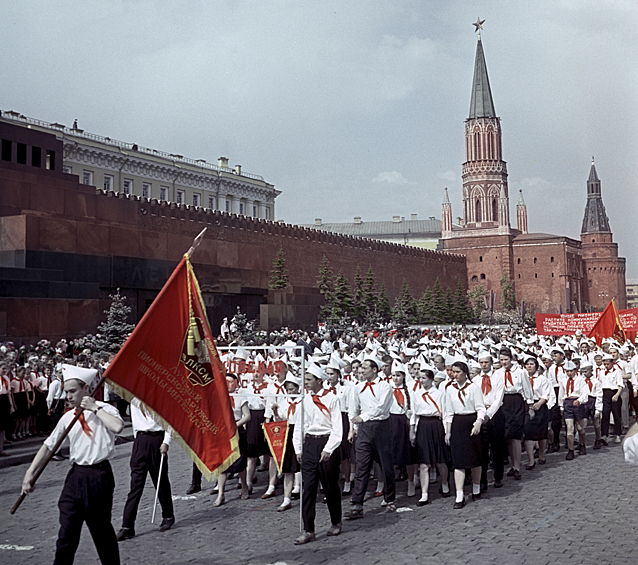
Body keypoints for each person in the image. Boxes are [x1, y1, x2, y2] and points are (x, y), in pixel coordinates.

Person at [21, 364, 124, 565]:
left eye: (72, 391)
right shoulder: (68, 417)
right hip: (75, 476)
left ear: (86, 389)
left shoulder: (105, 410)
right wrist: (29, 473)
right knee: (67, 531)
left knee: (101, 530)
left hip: (98, 476)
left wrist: (95, 407)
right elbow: (48, 445)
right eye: (66, 392)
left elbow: (118, 427)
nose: (67, 396)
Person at [292, 364, 342, 545]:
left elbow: (337, 427)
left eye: (309, 379)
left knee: (330, 486)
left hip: (327, 441)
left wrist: (329, 448)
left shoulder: (332, 399)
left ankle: (336, 521)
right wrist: (298, 448)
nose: (305, 382)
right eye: (305, 379)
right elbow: (300, 425)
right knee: (308, 488)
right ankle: (308, 529)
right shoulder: (304, 399)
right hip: (310, 443)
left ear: (319, 380)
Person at [116, 397, 175, 541]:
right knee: (135, 485)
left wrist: (166, 442)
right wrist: (138, 442)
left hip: (157, 439)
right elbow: (135, 422)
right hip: (141, 440)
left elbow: (170, 420)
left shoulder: (160, 397)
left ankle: (168, 515)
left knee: (160, 481)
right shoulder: (134, 399)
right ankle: (127, 526)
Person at [345, 356, 396, 518]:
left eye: (365, 367)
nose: (362, 370)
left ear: (374, 370)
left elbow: (382, 407)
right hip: (365, 429)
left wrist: (364, 417)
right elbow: (353, 409)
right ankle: (357, 503)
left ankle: (390, 499)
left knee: (386, 465)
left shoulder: (385, 386)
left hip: (382, 427)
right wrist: (352, 428)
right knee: (362, 465)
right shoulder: (357, 387)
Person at [443, 361, 485, 509]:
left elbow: (480, 407)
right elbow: (448, 411)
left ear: (465, 372)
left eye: (457, 372)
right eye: (453, 372)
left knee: (475, 458)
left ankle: (476, 487)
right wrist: (447, 431)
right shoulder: (449, 389)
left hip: (471, 421)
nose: (455, 375)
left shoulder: (473, 387)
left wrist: (478, 422)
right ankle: (459, 494)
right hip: (458, 423)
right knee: (458, 461)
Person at [409, 367, 450, 506]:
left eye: (424, 378)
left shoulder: (439, 394)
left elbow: (445, 413)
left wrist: (446, 432)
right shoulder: (416, 394)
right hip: (423, 425)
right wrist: (412, 430)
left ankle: (445, 483)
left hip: (436, 425)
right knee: (424, 462)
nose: (421, 380)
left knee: (440, 460)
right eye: (419, 378)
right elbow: (414, 414)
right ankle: (424, 494)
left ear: (431, 379)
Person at [492, 348, 534, 480]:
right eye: (501, 360)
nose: (504, 362)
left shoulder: (520, 372)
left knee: (515, 435)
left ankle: (517, 466)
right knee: (507, 435)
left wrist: (530, 405)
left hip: (516, 401)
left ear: (512, 359)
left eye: (506, 359)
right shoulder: (497, 373)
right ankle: (512, 464)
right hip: (503, 402)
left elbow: (527, 388)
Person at [213, 373, 251, 506]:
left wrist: (235, 425)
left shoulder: (241, 397)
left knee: (239, 462)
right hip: (222, 432)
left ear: (235, 383)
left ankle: (244, 487)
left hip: (236, 430)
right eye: (226, 381)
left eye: (230, 382)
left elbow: (247, 416)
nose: (228, 384)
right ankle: (221, 494)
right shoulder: (218, 396)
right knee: (222, 463)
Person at [522, 355, 551, 468]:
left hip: (540, 405)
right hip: (526, 406)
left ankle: (541, 454)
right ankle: (530, 460)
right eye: (527, 364)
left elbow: (546, 393)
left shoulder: (542, 379)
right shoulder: (522, 378)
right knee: (528, 433)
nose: (529, 366)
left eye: (532, 364)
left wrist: (539, 403)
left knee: (541, 433)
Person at [558, 360, 589, 460]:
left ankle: (582, 444)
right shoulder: (563, 380)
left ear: (575, 370)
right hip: (567, 403)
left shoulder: (580, 380)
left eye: (571, 371)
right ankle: (570, 450)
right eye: (567, 371)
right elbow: (561, 393)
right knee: (569, 427)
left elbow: (585, 393)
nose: (569, 373)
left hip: (577, 403)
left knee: (580, 428)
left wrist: (579, 400)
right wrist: (561, 406)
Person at [599, 353, 624, 444]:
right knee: (605, 415)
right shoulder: (601, 372)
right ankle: (604, 435)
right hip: (605, 394)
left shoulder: (617, 372)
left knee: (616, 415)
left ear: (612, 363)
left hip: (614, 393)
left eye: (608, 364)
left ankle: (618, 434)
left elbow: (620, 385)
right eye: (604, 364)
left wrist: (617, 395)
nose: (606, 366)